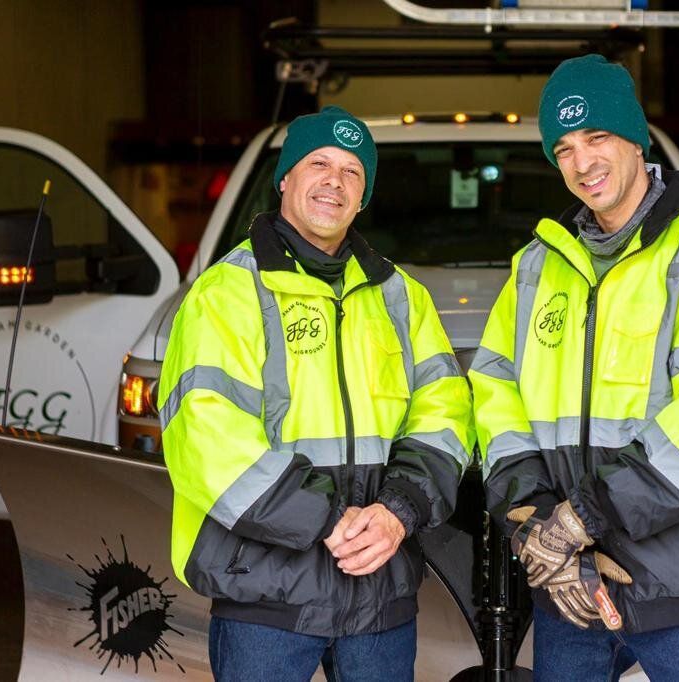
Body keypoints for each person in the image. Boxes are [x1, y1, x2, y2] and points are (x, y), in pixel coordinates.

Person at [468, 55, 679, 681]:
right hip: (570, 593)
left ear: (636, 139)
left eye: (597, 137)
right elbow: (495, 398)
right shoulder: (537, 267)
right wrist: (536, 523)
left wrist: (582, 518)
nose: (582, 163)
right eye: (562, 149)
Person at [160, 105, 474, 681]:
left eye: (353, 171)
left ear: (364, 197)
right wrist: (328, 520)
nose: (335, 180)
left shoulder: (401, 297)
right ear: (285, 178)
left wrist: (396, 513)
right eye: (319, 162)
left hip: (380, 595)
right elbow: (206, 437)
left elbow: (448, 415)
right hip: (265, 598)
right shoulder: (225, 293)